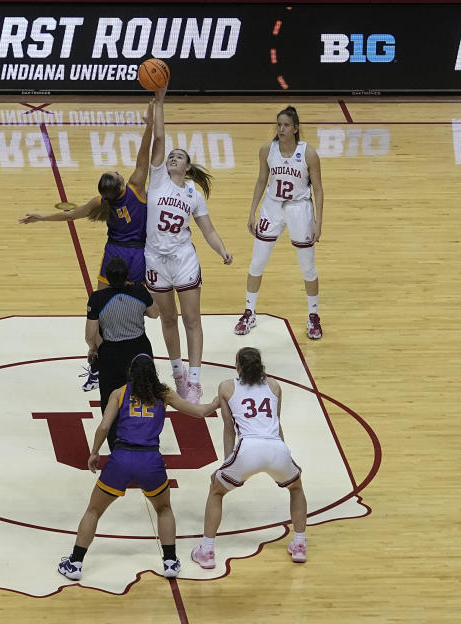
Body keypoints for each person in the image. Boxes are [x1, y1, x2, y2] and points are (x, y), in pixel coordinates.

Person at [20, 98, 156, 391]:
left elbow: (70, 215)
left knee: (101, 309)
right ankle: (137, 364)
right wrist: (149, 122)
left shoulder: (101, 201)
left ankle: (97, 364)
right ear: (121, 184)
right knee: (140, 309)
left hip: (113, 255)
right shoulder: (135, 187)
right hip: (137, 256)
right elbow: (145, 153)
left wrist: (41, 216)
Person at [57, 354, 218, 582]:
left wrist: (94, 452)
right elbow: (199, 412)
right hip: (150, 461)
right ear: (153, 372)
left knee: (93, 510)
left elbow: (104, 427)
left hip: (121, 458)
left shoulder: (119, 393)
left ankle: (75, 563)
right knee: (163, 509)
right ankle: (170, 561)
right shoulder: (164, 393)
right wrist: (218, 401)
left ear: (130, 372)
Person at [146, 88, 233, 404]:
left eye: (178, 156)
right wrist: (159, 102)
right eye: (172, 155)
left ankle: (194, 381)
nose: (172, 156)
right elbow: (159, 138)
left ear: (187, 167)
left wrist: (221, 250)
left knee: (191, 320)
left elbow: (207, 229)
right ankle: (178, 373)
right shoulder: (157, 179)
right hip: (154, 258)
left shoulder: (193, 194)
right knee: (168, 320)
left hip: (183, 257)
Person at [191, 347, 308, 569]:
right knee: (296, 487)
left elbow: (229, 429)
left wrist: (226, 464)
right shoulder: (274, 386)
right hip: (276, 448)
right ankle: (300, 545)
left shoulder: (226, 387)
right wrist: (286, 455)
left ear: (238, 367)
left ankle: (206, 551)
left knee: (216, 490)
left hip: (249, 448)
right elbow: (276, 423)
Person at [233, 106, 325, 340]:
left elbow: (318, 189)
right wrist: (252, 211)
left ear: (295, 129)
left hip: (299, 208)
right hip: (272, 206)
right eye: (279, 124)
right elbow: (261, 180)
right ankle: (249, 311)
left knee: (308, 267)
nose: (281, 129)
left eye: (285, 125)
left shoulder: (308, 153)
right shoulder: (267, 150)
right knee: (257, 263)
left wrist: (319, 222)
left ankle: (313, 316)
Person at [86, 257, 159, 449]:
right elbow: (154, 313)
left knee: (110, 400)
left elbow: (90, 334)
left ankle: (115, 445)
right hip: (140, 351)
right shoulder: (139, 292)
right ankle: (146, 440)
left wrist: (93, 349)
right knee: (145, 394)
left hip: (112, 354)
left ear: (107, 278)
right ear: (127, 276)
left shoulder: (97, 298)